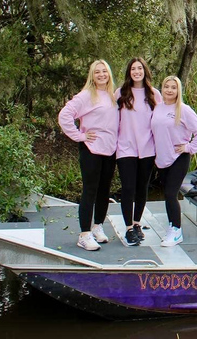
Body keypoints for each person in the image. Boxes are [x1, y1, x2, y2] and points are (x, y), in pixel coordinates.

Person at [58, 60, 119, 251]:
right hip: (91, 150)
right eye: (97, 72)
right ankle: (84, 235)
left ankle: (97, 227)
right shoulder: (85, 96)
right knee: (90, 191)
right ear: (92, 75)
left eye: (104, 71)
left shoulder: (112, 95)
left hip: (110, 150)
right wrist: (80, 136)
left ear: (109, 74)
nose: (101, 75)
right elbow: (64, 115)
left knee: (104, 191)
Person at [151, 76, 197, 247]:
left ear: (178, 91)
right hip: (162, 159)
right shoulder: (158, 108)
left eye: (173, 87)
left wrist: (189, 148)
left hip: (179, 158)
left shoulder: (183, 109)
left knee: (170, 194)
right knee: (168, 195)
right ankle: (171, 226)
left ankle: (176, 231)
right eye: (166, 86)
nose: (169, 90)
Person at [115, 57, 162, 247]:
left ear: (145, 71)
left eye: (139, 68)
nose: (136, 72)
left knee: (142, 188)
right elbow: (110, 119)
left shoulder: (154, 94)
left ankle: (137, 224)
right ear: (129, 72)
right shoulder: (120, 94)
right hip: (125, 148)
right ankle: (127, 228)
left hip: (147, 148)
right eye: (133, 68)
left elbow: (161, 122)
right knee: (127, 188)